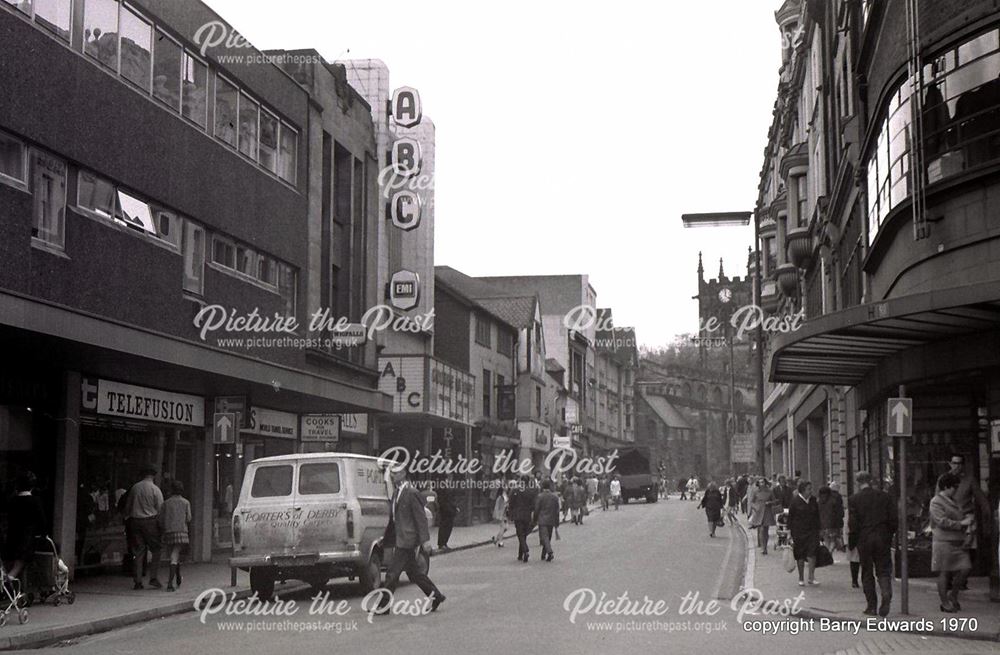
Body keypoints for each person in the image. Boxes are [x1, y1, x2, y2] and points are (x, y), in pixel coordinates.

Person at [376, 466, 444, 614]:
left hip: (408, 540)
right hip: (401, 539)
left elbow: (420, 519)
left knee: (392, 573)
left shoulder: (412, 493)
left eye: (396, 473)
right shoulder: (396, 493)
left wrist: (425, 540)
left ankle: (383, 606)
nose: (393, 476)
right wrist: (386, 539)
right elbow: (394, 520)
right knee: (415, 574)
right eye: (391, 473)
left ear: (404, 474)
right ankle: (436, 596)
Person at [848, 470, 897, 617]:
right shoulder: (885, 497)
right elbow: (893, 519)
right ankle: (886, 593)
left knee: (867, 572)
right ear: (871, 481)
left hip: (864, 539)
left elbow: (853, 523)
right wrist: (889, 535)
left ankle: (871, 606)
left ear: (858, 482)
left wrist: (852, 542)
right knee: (883, 569)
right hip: (882, 537)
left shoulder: (854, 499)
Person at [929, 472, 974, 613]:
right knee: (944, 572)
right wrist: (961, 523)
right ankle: (945, 603)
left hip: (958, 541)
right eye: (954, 487)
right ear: (947, 487)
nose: (956, 490)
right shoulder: (936, 501)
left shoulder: (954, 501)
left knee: (965, 568)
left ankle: (953, 595)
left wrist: (967, 522)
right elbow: (941, 521)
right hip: (944, 541)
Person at [125, 466, 164, 590]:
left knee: (138, 551)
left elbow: (128, 507)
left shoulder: (135, 488)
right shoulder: (155, 489)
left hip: (135, 521)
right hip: (150, 521)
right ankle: (153, 578)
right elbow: (160, 509)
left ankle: (137, 580)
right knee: (156, 549)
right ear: (153, 476)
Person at [3, 474, 46, 583]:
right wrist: (43, 534)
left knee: (12, 561)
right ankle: (9, 580)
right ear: (32, 486)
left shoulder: (12, 501)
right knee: (21, 561)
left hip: (12, 536)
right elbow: (41, 520)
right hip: (26, 539)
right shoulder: (35, 501)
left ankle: (11, 582)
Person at [159, 480, 191, 591]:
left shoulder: (166, 503)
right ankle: (171, 583)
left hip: (169, 531)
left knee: (173, 554)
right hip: (181, 531)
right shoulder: (186, 502)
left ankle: (176, 576)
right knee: (175, 554)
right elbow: (189, 518)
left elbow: (161, 518)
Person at [789, 480, 821, 586]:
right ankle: (801, 577)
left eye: (811, 489)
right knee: (800, 556)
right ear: (803, 490)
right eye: (809, 489)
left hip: (812, 532)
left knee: (812, 554)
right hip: (799, 532)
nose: (811, 491)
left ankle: (811, 577)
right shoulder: (795, 501)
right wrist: (790, 533)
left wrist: (819, 530)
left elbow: (817, 516)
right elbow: (791, 518)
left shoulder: (813, 500)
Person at [508, 476, 537, 562]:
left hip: (518, 515)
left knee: (520, 534)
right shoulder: (530, 492)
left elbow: (511, 503)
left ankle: (525, 550)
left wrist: (511, 514)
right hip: (527, 515)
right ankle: (520, 554)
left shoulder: (515, 490)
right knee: (523, 534)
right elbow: (533, 505)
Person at [533, 480, 560, 562]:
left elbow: (537, 509)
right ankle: (543, 554)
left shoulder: (540, 496)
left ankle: (549, 552)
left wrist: (534, 519)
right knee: (548, 537)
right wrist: (557, 521)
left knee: (545, 537)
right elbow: (557, 510)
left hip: (542, 519)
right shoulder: (555, 497)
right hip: (551, 519)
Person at [749, 477, 777, 555]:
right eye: (760, 482)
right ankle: (762, 548)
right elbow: (751, 502)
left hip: (767, 512)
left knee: (766, 530)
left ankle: (765, 546)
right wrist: (755, 507)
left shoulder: (770, 491)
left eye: (763, 482)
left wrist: (770, 502)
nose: (762, 484)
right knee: (761, 530)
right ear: (758, 484)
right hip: (759, 512)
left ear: (765, 483)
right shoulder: (755, 491)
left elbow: (775, 501)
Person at [817, 485, 844, 554]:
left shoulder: (818, 501)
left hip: (822, 524)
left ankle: (827, 554)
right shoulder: (833, 500)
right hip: (833, 524)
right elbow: (839, 513)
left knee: (826, 540)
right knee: (833, 540)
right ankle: (829, 553)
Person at [435, 481, 457, 551]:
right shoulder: (442, 489)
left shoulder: (450, 488)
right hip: (445, 511)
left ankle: (445, 543)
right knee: (444, 527)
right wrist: (448, 509)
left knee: (449, 528)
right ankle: (441, 544)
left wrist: (455, 508)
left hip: (450, 511)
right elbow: (442, 501)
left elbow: (452, 500)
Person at [828, 481, 846, 551]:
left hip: (827, 520)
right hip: (836, 520)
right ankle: (836, 548)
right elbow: (840, 509)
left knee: (830, 538)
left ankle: (832, 549)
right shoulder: (838, 496)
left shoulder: (826, 496)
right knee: (835, 536)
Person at [491, 480, 509, 548]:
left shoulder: (505, 495)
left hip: (505, 514)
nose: (507, 487)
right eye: (505, 486)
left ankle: (496, 539)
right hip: (502, 514)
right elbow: (500, 507)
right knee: (503, 527)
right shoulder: (501, 497)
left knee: (506, 528)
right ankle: (500, 542)